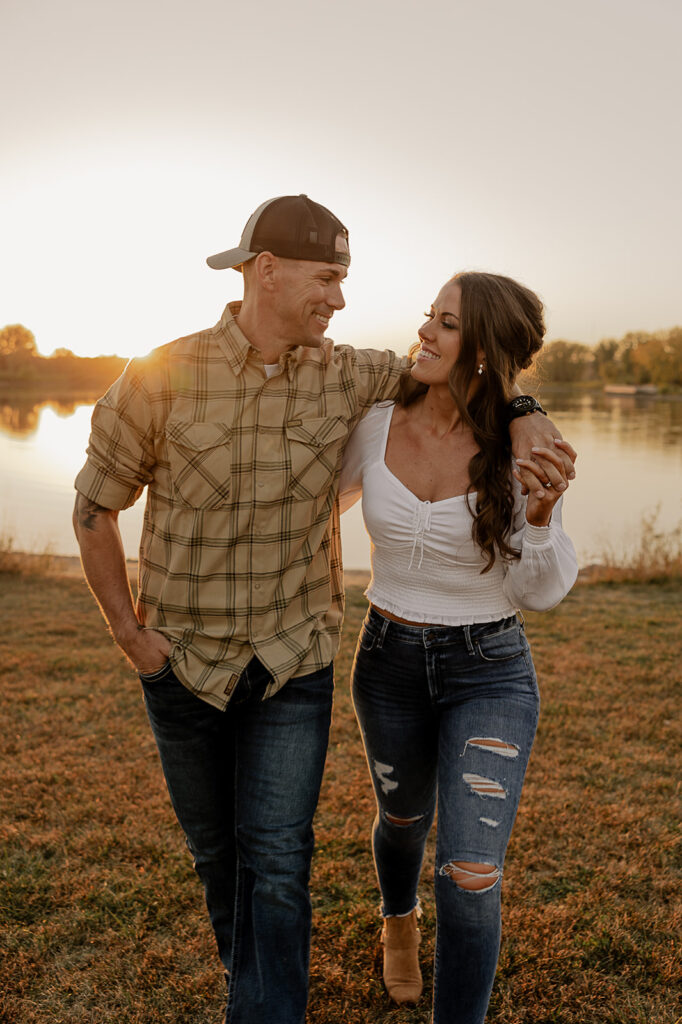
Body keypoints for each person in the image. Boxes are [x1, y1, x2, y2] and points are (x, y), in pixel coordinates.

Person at [72, 196, 573, 1024]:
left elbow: (480, 377)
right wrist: (131, 637)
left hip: (295, 660)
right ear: (266, 271)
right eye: (329, 278)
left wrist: (523, 415)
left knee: (281, 858)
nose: (341, 299)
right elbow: (96, 510)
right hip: (188, 662)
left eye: (346, 281)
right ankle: (270, 980)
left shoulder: (351, 376)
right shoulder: (162, 376)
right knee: (220, 852)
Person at [339, 271, 578, 1024]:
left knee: (472, 872)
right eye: (429, 317)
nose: (425, 334)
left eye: (446, 324)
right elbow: (314, 504)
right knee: (402, 819)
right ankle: (398, 920)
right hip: (386, 660)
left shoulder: (522, 448)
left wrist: (539, 516)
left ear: (481, 352)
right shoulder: (376, 423)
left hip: (489, 670)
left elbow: (539, 592)